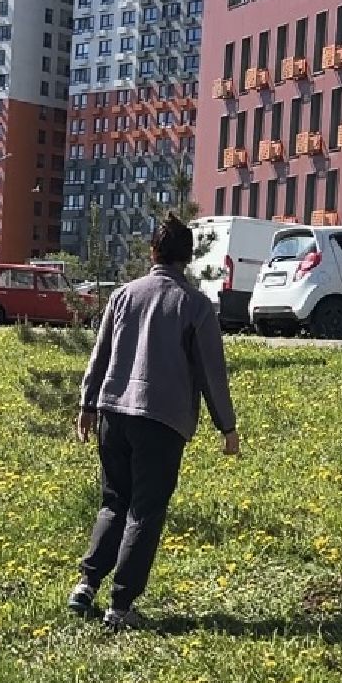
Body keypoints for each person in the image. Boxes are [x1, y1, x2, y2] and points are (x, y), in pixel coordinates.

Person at [71, 214, 239, 631]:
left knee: (113, 501)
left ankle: (85, 585)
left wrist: (88, 403)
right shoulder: (195, 305)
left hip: (113, 412)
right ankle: (121, 605)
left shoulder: (124, 295)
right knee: (145, 511)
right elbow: (210, 372)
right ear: (189, 257)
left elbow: (101, 353)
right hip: (161, 420)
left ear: (152, 252)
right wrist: (227, 426)